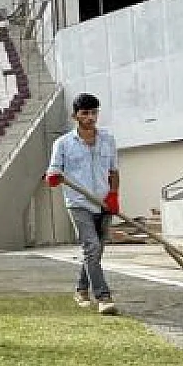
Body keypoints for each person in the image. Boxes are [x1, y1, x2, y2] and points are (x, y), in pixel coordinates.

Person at [45, 92, 121, 315]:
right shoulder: (63, 144)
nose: (90, 117)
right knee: (92, 247)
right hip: (78, 203)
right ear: (75, 116)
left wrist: (114, 195)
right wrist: (52, 177)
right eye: (85, 113)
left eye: (94, 112)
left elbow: (114, 171)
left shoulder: (108, 139)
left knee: (95, 253)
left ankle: (81, 290)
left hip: (103, 203)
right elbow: (53, 171)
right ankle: (103, 297)